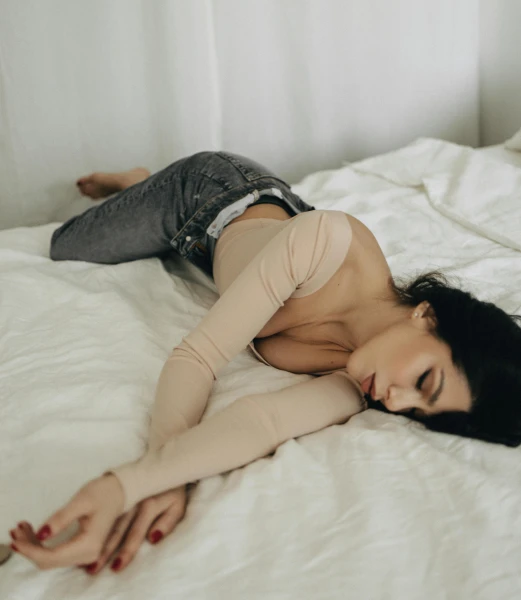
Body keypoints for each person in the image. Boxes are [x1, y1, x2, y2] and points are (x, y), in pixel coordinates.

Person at [8, 150, 521, 574]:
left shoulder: (366, 378)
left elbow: (265, 421)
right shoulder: (327, 243)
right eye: (423, 381)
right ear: (427, 316)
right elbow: (197, 356)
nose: (395, 400)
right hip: (210, 195)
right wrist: (157, 476)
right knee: (65, 246)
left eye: (416, 412)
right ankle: (144, 180)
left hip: (255, 240)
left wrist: (144, 481)